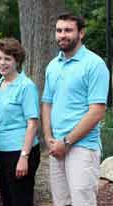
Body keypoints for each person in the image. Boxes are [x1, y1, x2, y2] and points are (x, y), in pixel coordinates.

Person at [42, 13, 109, 206]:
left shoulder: (94, 64)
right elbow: (47, 102)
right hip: (57, 145)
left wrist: (67, 141)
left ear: (81, 33)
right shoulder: (53, 65)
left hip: (82, 146)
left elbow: (97, 111)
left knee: (82, 201)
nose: (62, 35)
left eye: (68, 30)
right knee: (60, 202)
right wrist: (48, 137)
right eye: (59, 30)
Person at [0, 38, 40, 206]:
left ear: (16, 61)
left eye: (7, 59)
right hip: (1, 151)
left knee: (21, 200)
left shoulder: (26, 86)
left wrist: (24, 157)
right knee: (7, 200)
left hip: (20, 151)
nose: (1, 63)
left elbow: (32, 124)